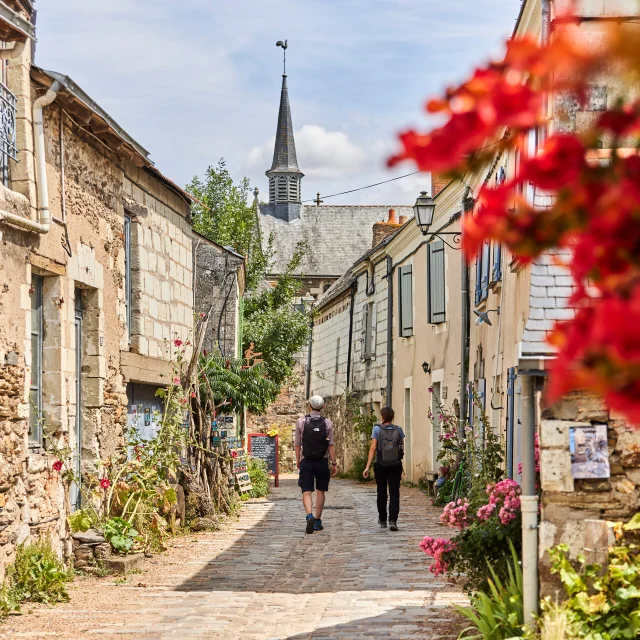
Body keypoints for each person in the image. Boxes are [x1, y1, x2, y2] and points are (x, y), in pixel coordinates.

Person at [295, 395, 338, 534]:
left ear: (309, 406)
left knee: (306, 491)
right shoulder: (327, 423)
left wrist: (298, 460)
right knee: (320, 490)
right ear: (323, 407)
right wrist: (334, 463)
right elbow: (330, 445)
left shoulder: (301, 421)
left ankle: (309, 516)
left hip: (306, 460)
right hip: (322, 460)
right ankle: (317, 521)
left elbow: (297, 444)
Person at [363, 407, 405, 531]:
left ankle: (382, 519)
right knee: (394, 492)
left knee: (381, 491)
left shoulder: (377, 429)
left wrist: (367, 466)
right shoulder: (399, 429)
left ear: (382, 416)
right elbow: (401, 448)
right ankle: (393, 520)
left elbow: (373, 448)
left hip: (380, 465)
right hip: (396, 465)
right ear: (392, 417)